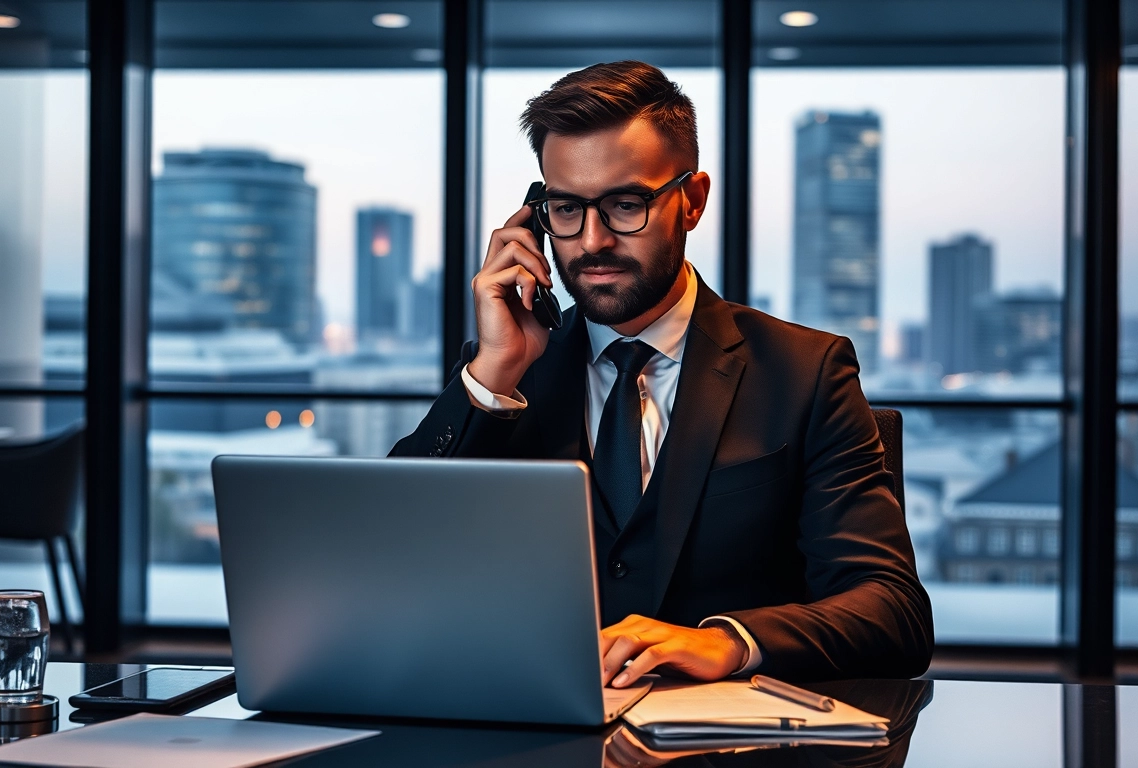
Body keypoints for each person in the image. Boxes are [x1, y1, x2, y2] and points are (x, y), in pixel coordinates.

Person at [391, 60, 933, 685]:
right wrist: (492, 375)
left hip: (728, 734)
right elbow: (387, 565)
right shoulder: (505, 375)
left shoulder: (804, 372)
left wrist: (730, 642)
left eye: (626, 205)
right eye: (566, 208)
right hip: (534, 726)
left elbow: (893, 611)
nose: (592, 241)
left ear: (692, 201)